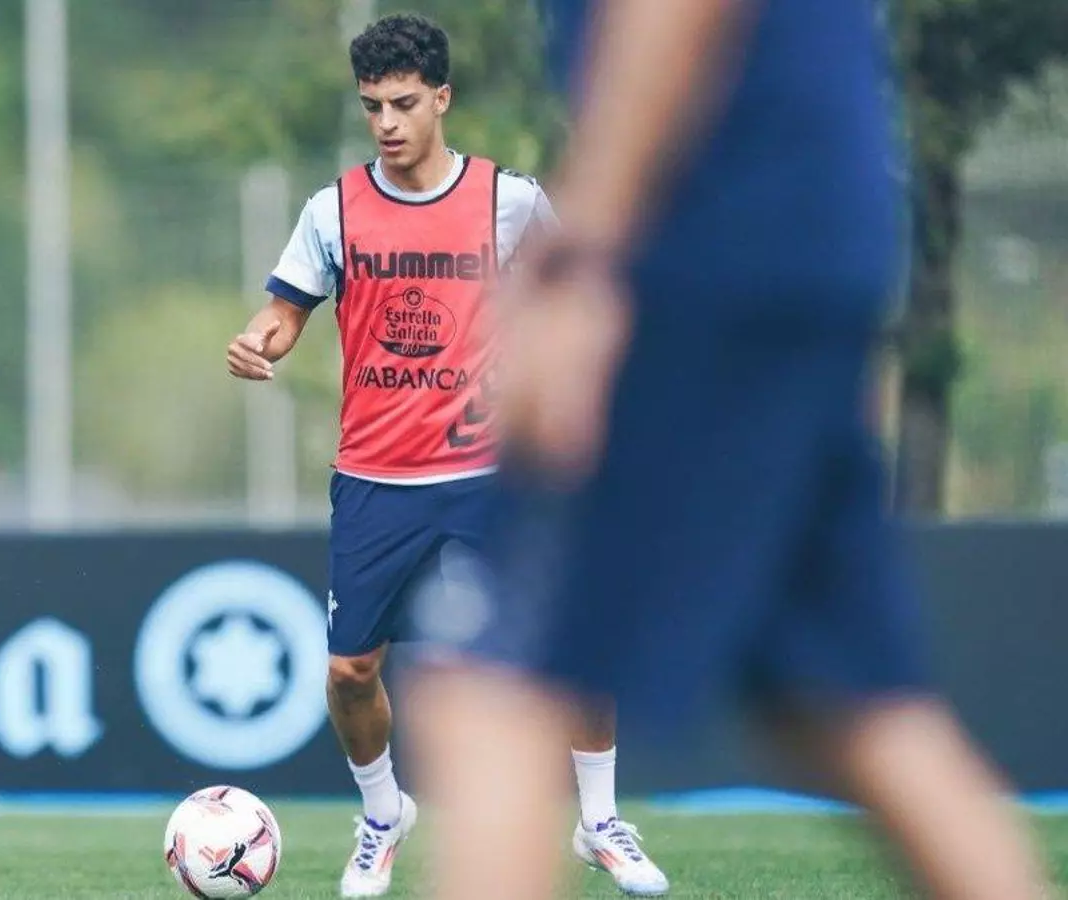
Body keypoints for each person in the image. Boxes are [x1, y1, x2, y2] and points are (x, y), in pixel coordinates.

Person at [406, 0, 1059, 898]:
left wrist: (584, 260)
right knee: (845, 704)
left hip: (701, 241)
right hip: (803, 230)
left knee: (490, 687)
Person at [225, 14, 668, 899]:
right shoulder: (333, 210)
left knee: (569, 642)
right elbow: (284, 312)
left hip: (490, 477)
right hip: (375, 479)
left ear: (441, 98)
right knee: (350, 671)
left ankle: (599, 822)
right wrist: (258, 339)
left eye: (402, 103)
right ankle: (384, 815)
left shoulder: (511, 201)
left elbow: (572, 300)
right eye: (372, 107)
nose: (386, 123)